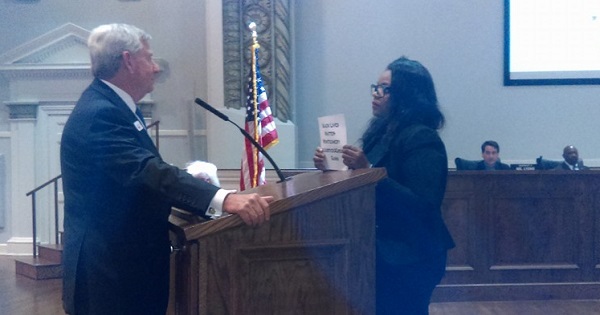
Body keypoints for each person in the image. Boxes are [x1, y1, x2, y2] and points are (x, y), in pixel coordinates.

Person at [60, 24, 273, 315]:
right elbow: (145, 171)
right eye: (149, 58)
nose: (156, 68)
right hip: (108, 275)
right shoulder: (101, 112)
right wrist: (224, 198)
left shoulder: (115, 106)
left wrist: (190, 183)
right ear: (128, 61)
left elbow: (136, 171)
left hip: (123, 267)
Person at [314, 57, 454, 314]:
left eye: (385, 89)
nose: (376, 94)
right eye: (375, 87)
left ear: (406, 94)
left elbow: (423, 204)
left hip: (411, 255)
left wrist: (368, 172)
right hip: (383, 251)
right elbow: (364, 183)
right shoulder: (381, 131)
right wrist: (332, 168)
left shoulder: (422, 137)